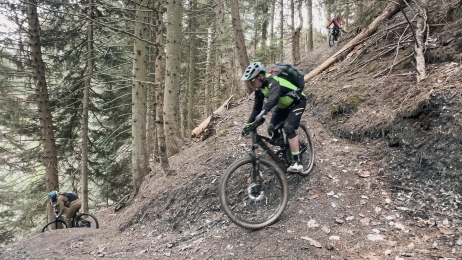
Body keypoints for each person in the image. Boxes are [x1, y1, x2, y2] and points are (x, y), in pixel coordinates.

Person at [241, 62, 307, 173]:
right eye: (249, 82)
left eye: (252, 80)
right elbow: (257, 108)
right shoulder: (260, 90)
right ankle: (287, 149)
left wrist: (264, 112)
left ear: (261, 76)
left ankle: (297, 161)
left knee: (289, 127)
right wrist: (248, 125)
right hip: (283, 106)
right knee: (272, 128)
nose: (251, 84)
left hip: (297, 102)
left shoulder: (273, 80)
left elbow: (274, 98)